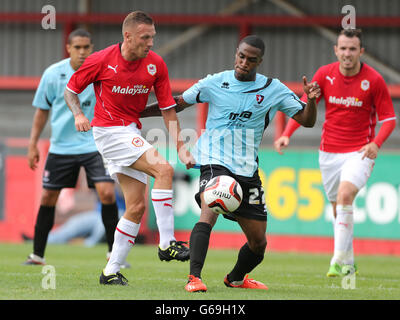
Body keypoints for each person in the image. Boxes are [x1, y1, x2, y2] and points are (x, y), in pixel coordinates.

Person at [141, 35, 320, 292]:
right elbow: (176, 104)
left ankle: (235, 279)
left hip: (247, 169)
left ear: (260, 61)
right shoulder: (215, 82)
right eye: (241, 56)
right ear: (236, 53)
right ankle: (194, 278)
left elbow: (307, 120)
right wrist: (136, 112)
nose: (244, 62)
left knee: (259, 244)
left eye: (251, 59)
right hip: (214, 160)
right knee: (209, 211)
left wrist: (311, 100)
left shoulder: (273, 88)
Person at [64, 11, 195, 285]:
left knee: (135, 207)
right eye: (145, 37)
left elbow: (168, 110)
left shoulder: (156, 64)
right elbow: (71, 90)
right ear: (128, 36)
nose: (151, 43)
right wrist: (78, 114)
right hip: (108, 131)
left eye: (153, 37)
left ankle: (110, 272)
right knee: (164, 170)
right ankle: (167, 243)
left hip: (130, 131)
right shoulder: (101, 60)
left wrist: (182, 147)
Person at [274, 29, 396, 277]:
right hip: (328, 153)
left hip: (359, 152)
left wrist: (376, 144)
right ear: (336, 50)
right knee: (337, 208)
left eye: (352, 49)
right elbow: (304, 107)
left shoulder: (374, 80)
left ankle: (337, 261)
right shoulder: (324, 74)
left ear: (361, 51)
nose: (347, 53)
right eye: (343, 48)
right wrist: (287, 133)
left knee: (345, 195)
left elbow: (390, 119)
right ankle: (349, 262)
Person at [24, 29, 120, 266]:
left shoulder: (101, 74)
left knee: (107, 193)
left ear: (92, 48)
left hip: (94, 144)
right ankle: (37, 255)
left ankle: (114, 256)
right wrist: (32, 144)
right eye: (77, 47)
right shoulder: (53, 74)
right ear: (68, 48)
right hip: (61, 147)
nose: (82, 52)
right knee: (48, 196)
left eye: (87, 47)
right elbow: (42, 112)